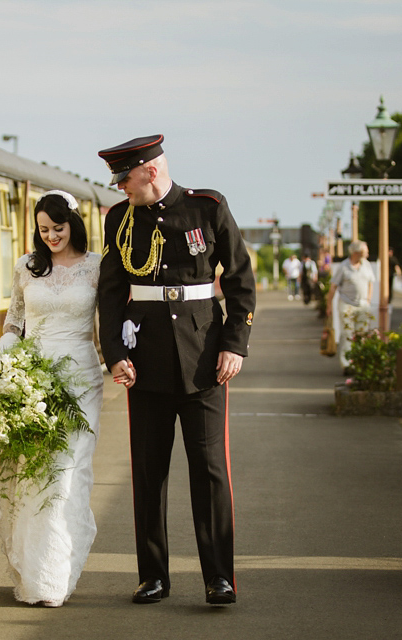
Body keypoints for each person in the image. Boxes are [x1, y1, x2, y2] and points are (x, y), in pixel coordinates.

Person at [96, 135, 256, 606]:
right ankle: (153, 576)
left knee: (210, 472)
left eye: (125, 179)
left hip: (205, 360)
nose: (121, 188)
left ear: (150, 171)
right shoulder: (119, 220)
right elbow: (110, 293)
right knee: (148, 473)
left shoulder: (207, 208)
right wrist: (114, 354)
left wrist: (236, 345)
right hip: (144, 365)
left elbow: (242, 281)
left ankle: (219, 577)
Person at [0, 190, 103, 607]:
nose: (50, 236)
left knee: (67, 475)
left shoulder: (96, 267)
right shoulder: (26, 268)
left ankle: (57, 575)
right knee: (34, 476)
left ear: (74, 224)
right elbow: (16, 323)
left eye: (58, 228)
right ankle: (38, 578)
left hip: (81, 378)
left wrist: (123, 361)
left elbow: (109, 325)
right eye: (43, 229)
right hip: (35, 376)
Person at [326, 240, 374, 371]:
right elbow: (333, 287)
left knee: (362, 334)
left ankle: (359, 362)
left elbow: (371, 282)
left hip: (362, 304)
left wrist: (368, 299)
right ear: (357, 252)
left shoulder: (366, 265)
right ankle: (347, 364)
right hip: (346, 304)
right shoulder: (343, 266)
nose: (368, 253)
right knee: (348, 334)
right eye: (366, 250)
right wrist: (329, 305)